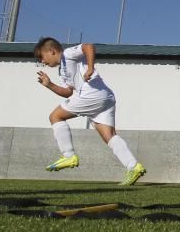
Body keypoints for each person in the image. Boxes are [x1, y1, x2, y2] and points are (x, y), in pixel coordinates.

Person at [34, 38, 146, 186]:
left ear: (51, 51)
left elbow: (88, 46)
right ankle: (133, 166)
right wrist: (49, 85)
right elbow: (68, 92)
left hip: (90, 95)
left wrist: (90, 68)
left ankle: (68, 155)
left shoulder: (67, 54)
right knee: (109, 135)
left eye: (42, 57)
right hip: (105, 97)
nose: (42, 61)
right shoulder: (62, 70)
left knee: (55, 116)